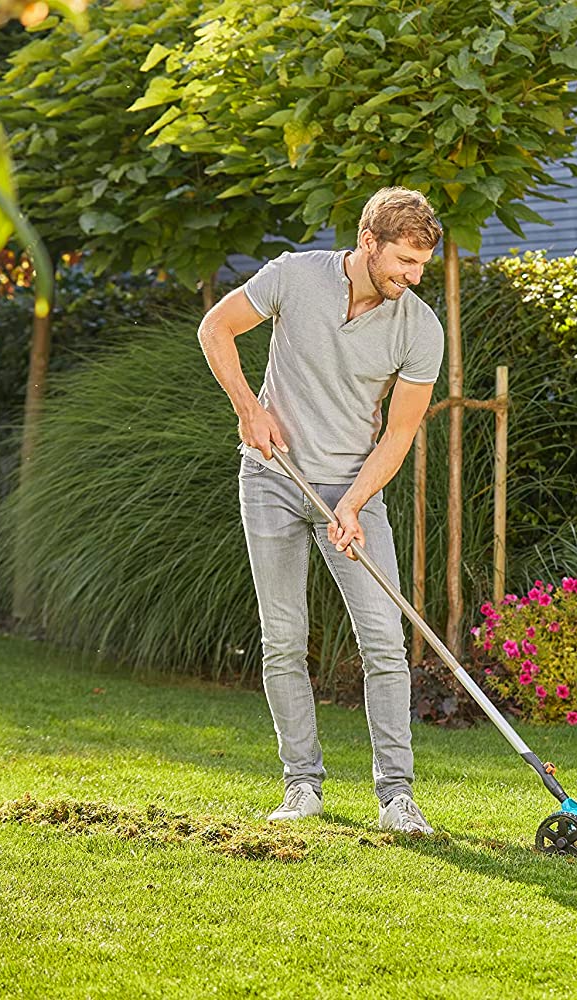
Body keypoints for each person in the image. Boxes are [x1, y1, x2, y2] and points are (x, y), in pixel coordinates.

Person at [196, 188, 445, 834]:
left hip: (352, 489)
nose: (413, 278)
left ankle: (396, 796)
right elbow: (215, 328)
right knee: (283, 639)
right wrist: (250, 411)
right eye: (405, 262)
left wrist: (356, 503)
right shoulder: (294, 276)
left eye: (422, 266)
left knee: (386, 643)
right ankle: (301, 784)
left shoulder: (420, 327)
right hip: (273, 479)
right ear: (369, 242)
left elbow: (397, 436)